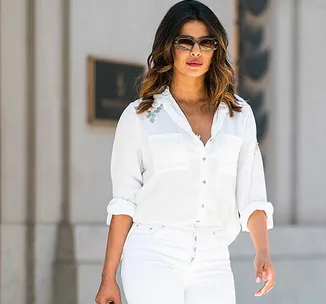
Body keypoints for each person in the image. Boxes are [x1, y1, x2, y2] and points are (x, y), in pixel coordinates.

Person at [95, 1, 275, 303]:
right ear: (169, 47)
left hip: (213, 256)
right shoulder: (139, 116)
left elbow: (252, 194)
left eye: (206, 43)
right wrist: (107, 278)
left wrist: (263, 252)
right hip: (153, 252)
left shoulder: (238, 115)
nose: (196, 52)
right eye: (185, 42)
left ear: (216, 50)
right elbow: (124, 203)